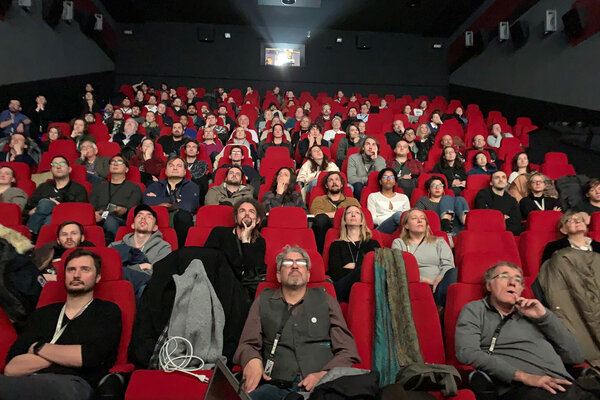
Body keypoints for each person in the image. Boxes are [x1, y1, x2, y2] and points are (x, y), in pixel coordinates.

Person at [234, 245, 360, 399]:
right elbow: (247, 344)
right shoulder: (264, 300)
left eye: (301, 263)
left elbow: (347, 350)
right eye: (287, 263)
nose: (294, 265)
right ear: (279, 275)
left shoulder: (326, 299)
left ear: (308, 274)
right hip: (276, 387)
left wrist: (324, 375)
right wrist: (252, 359)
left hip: (321, 388)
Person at [455, 262, 594, 400]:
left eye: (518, 280)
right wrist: (525, 377)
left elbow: (575, 357)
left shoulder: (535, 314)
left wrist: (545, 317)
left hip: (567, 386)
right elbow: (467, 352)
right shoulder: (475, 310)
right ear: (489, 285)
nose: (512, 283)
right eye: (504, 276)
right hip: (524, 389)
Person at [0, 248, 122, 400]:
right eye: (71, 269)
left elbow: (89, 357)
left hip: (72, 384)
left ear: (97, 277)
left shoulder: (106, 311)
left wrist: (38, 347)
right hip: (25, 380)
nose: (76, 275)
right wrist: (65, 356)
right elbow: (11, 367)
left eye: (85, 269)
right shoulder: (43, 314)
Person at [392, 209, 456, 306]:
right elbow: (399, 269)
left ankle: (438, 308)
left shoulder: (439, 241)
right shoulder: (399, 243)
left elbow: (448, 264)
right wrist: (426, 280)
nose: (420, 220)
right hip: (415, 284)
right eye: (414, 218)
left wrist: (440, 278)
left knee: (455, 272)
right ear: (406, 225)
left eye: (422, 218)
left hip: (441, 284)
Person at [204, 199, 266, 296]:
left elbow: (251, 271)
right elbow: (208, 260)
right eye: (242, 211)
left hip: (242, 290)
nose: (246, 214)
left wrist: (245, 240)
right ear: (236, 218)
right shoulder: (219, 233)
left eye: (251, 211)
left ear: (257, 220)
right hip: (217, 284)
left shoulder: (260, 242)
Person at [109, 205, 171, 296]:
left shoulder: (163, 247)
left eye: (149, 217)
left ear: (155, 227)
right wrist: (140, 267)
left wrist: (125, 270)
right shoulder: (115, 246)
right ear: (133, 225)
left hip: (145, 292)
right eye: (139, 216)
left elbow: (159, 274)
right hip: (115, 290)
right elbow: (108, 272)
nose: (143, 218)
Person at [143, 156, 200, 248]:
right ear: (165, 170)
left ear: (185, 171)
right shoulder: (155, 186)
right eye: (171, 165)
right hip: (158, 217)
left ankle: (181, 250)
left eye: (179, 166)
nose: (174, 168)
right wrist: (175, 200)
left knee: (184, 216)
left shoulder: (192, 186)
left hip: (180, 220)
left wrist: (159, 200)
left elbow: (188, 206)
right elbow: (148, 202)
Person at [24, 156, 88, 235]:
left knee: (48, 210)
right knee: (46, 208)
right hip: (41, 221)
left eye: (62, 163)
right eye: (54, 164)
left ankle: (29, 233)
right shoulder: (43, 187)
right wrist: (31, 212)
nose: (58, 166)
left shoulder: (79, 189)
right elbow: (27, 208)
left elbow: (81, 212)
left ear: (69, 169)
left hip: (66, 222)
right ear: (51, 170)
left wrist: (59, 207)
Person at [328, 206, 381, 302]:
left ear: (362, 221)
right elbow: (335, 273)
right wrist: (362, 268)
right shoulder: (336, 245)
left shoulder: (373, 244)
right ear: (344, 220)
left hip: (369, 285)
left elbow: (378, 267)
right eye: (349, 213)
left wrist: (354, 266)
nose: (353, 214)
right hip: (343, 288)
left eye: (357, 213)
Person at [91, 154, 143, 244]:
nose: (115, 164)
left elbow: (132, 210)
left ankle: (116, 246)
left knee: (110, 220)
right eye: (113, 162)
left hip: (120, 220)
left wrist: (122, 210)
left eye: (119, 162)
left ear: (126, 169)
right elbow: (90, 207)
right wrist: (93, 214)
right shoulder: (99, 188)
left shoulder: (134, 187)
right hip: (99, 220)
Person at [310, 171, 360, 253]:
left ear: (341, 184)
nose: (334, 182)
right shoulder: (319, 199)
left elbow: (359, 215)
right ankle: (321, 254)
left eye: (337, 180)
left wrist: (330, 215)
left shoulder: (352, 201)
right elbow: (317, 214)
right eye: (331, 180)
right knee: (321, 218)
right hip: (324, 231)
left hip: (348, 230)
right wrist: (343, 214)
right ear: (326, 185)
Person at [475, 171, 522, 235]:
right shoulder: (483, 194)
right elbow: (484, 214)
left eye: (503, 177)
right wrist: (503, 217)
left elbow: (516, 219)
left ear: (506, 183)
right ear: (491, 183)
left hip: (507, 231)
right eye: (497, 177)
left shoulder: (511, 199)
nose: (501, 180)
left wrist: (497, 217)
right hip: (488, 229)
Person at [367, 168, 410, 234]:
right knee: (398, 215)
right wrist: (393, 218)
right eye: (385, 177)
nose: (388, 179)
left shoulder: (403, 197)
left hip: (400, 228)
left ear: (395, 182)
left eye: (392, 177)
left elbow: (407, 218)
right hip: (382, 228)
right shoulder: (373, 196)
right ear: (380, 181)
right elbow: (372, 219)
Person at [347, 136, 385, 201]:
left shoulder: (380, 160)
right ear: (363, 147)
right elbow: (351, 178)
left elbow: (381, 178)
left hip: (375, 187)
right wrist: (367, 181)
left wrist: (375, 160)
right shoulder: (353, 158)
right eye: (367, 144)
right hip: (358, 187)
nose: (370, 147)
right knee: (358, 185)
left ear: (377, 148)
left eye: (373, 145)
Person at [182, 140, 210, 205]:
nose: (191, 149)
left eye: (194, 147)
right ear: (185, 150)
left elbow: (199, 176)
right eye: (188, 147)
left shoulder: (203, 164)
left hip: (195, 188)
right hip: (179, 187)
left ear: (197, 152)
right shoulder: (179, 163)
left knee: (202, 181)